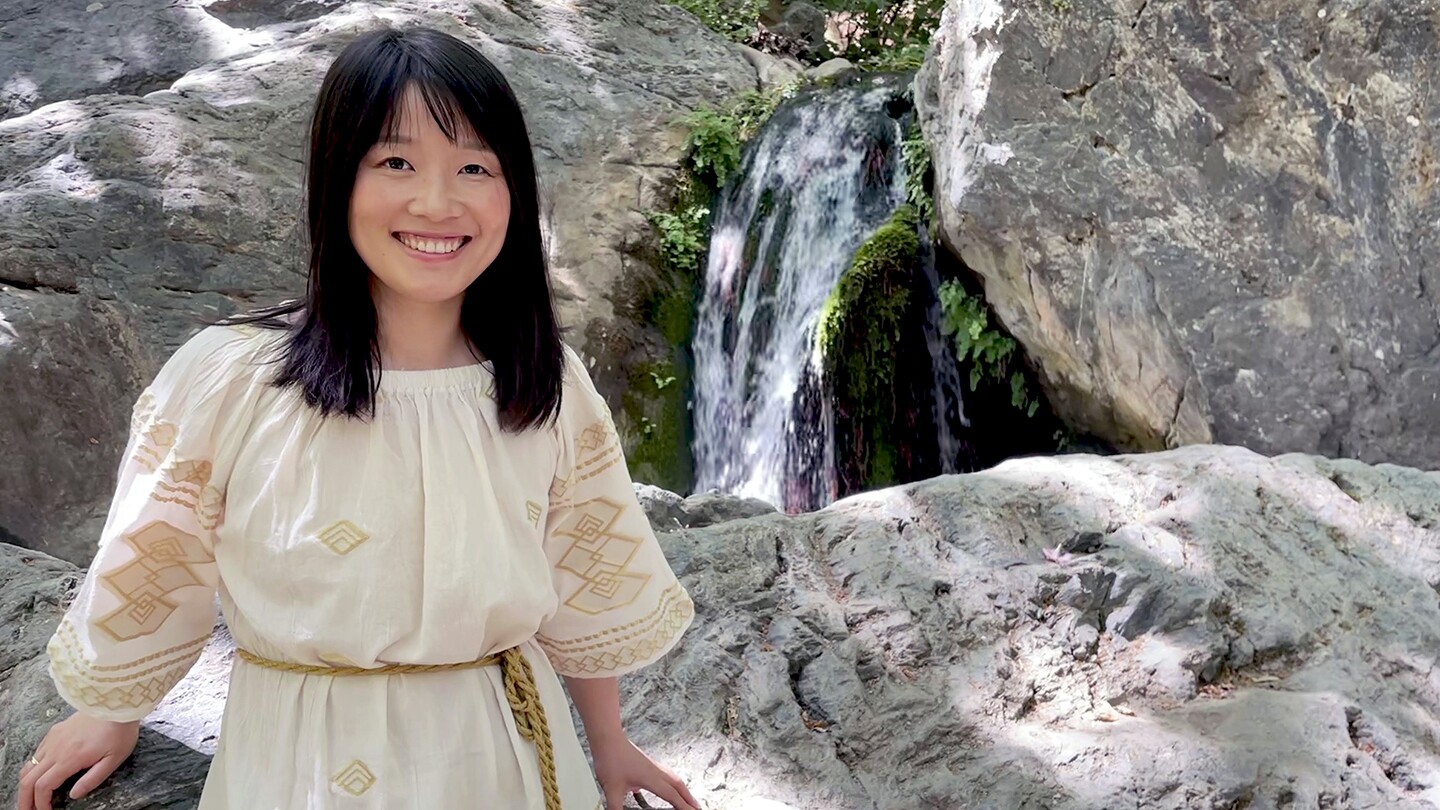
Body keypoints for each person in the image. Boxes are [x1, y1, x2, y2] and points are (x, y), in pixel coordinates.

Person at [15, 26, 700, 810]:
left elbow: (585, 568)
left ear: (515, 191)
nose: (436, 203)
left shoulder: (543, 382)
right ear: (337, 177)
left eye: (474, 167)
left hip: (503, 749)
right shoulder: (233, 378)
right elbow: (159, 553)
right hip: (301, 758)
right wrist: (111, 712)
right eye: (396, 162)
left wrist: (608, 746)